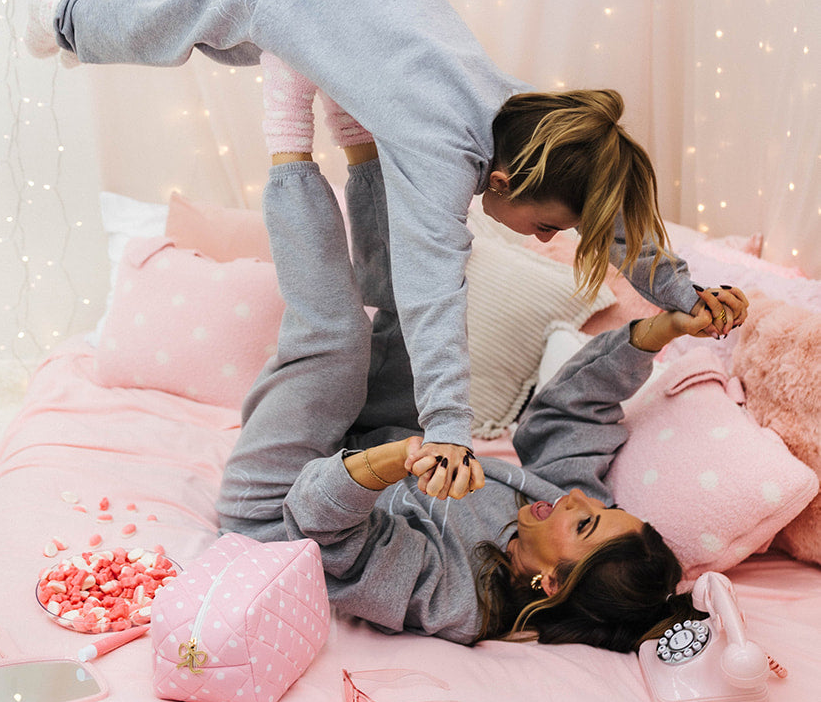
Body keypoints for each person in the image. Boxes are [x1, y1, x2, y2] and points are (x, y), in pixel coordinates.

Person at [25, 0, 748, 503]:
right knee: (180, 22)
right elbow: (432, 296)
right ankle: (64, 16)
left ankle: (104, 4)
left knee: (214, 22)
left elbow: (616, 214)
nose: (547, 238)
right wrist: (449, 430)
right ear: (498, 180)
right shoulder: (440, 155)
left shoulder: (534, 118)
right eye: (547, 225)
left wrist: (679, 293)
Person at [215, 147, 714, 649]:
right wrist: (657, 332)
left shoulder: (454, 598)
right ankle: (365, 147)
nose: (577, 498)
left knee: (338, 340)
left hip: (283, 511)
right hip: (370, 444)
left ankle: (288, 154)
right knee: (423, 319)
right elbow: (572, 412)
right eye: (601, 507)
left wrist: (402, 458)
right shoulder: (556, 515)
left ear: (553, 584)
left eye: (585, 521)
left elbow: (327, 535)